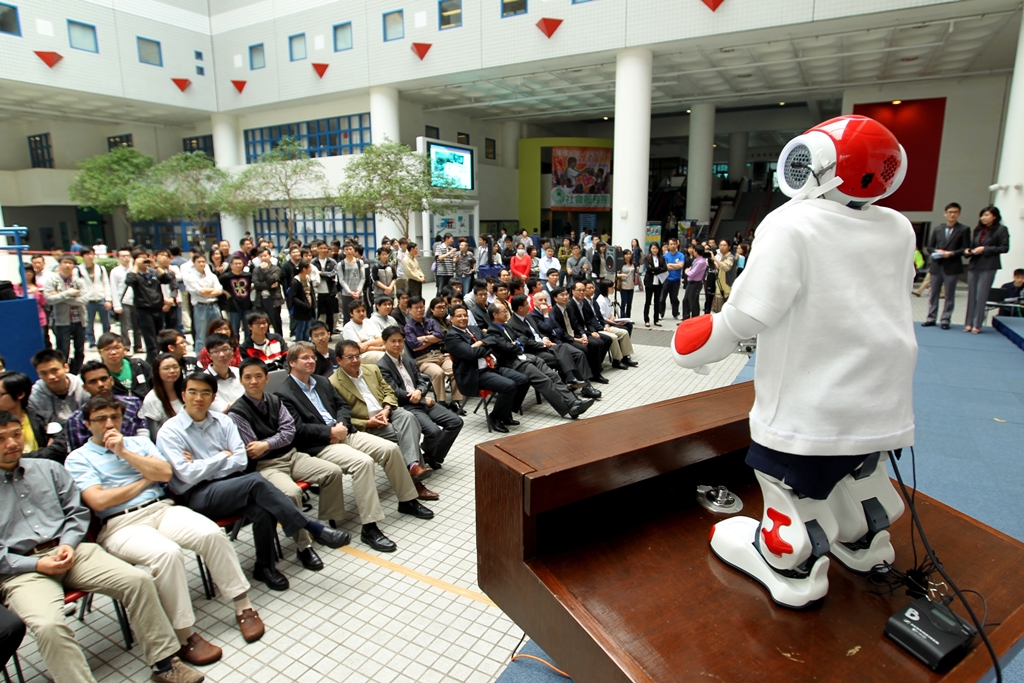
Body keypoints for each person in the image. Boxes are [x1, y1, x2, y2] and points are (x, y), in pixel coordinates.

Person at [0, 408, 207, 683]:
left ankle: (166, 663)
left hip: (70, 550)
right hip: (23, 569)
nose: (12, 443)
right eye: (2, 439)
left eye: (16, 435)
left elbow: (76, 513)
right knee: (49, 625)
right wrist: (37, 563)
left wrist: (69, 543)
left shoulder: (49, 469)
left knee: (138, 581)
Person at [65, 394, 262, 664]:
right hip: (121, 524)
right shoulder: (78, 458)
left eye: (115, 417)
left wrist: (124, 453)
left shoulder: (138, 443)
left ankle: (243, 606)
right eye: (100, 419)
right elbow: (99, 501)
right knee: (167, 553)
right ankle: (184, 635)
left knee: (211, 534)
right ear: (88, 424)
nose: (109, 424)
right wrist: (146, 480)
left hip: (162, 508)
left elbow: (165, 473)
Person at [157, 372, 351, 592]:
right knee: (256, 482)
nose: (198, 398)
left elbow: (240, 460)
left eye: (205, 393)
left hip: (234, 485)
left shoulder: (223, 421)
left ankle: (265, 567)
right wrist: (222, 456)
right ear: (183, 395)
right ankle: (313, 528)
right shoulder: (170, 431)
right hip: (199, 494)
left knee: (263, 508)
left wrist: (206, 463)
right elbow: (187, 475)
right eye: (192, 392)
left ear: (213, 397)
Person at [274, 343, 434, 548]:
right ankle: (370, 526)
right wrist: (329, 432)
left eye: (313, 357)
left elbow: (342, 405)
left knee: (390, 449)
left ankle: (407, 500)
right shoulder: (283, 393)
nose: (311, 361)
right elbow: (296, 429)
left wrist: (340, 424)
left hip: (344, 432)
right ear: (292, 363)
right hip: (321, 444)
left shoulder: (321, 382)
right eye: (305, 358)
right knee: (363, 463)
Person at [229, 358, 351, 563]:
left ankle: (324, 526)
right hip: (266, 466)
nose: (253, 381)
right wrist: (272, 443)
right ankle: (304, 546)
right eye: (247, 377)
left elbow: (289, 431)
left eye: (258, 376)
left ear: (267, 378)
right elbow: (253, 449)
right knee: (293, 492)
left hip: (292, 455)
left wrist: (266, 444)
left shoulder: (275, 400)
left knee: (332, 472)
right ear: (241, 381)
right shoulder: (237, 412)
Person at [329, 340, 437, 490]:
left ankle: (413, 469)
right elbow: (339, 416)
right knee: (407, 435)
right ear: (339, 360)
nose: (355, 360)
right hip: (370, 422)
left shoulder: (372, 369)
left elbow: (388, 391)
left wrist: (386, 408)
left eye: (357, 356)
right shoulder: (333, 383)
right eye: (350, 357)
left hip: (388, 411)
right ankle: (416, 479)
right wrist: (367, 423)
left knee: (409, 418)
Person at [485, 305, 594, 420]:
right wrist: (517, 345)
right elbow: (508, 348)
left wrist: (516, 343)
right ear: (495, 315)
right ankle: (569, 408)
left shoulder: (506, 326)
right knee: (544, 380)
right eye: (503, 311)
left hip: (525, 356)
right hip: (513, 362)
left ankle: (574, 401)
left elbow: (523, 338)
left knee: (553, 375)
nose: (506, 313)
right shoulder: (492, 331)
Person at [377, 326, 463, 471]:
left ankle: (432, 455)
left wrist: (420, 391)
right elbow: (395, 393)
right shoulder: (381, 366)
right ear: (384, 342)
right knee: (434, 432)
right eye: (393, 341)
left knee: (456, 422)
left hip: (421, 400)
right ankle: (430, 455)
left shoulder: (408, 361)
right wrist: (422, 398)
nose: (397, 344)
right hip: (406, 406)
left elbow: (422, 381)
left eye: (400, 341)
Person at [444, 306, 530, 433]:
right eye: (459, 316)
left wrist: (480, 344)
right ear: (451, 319)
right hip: (475, 373)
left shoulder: (473, 329)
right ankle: (495, 417)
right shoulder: (452, 336)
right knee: (509, 386)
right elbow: (470, 354)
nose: (463, 318)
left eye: (465, 315)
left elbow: (493, 339)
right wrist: (487, 347)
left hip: (492, 367)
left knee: (524, 380)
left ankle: (504, 413)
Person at [510, 293, 601, 399]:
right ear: (520, 308)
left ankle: (584, 385)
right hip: (535, 351)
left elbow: (546, 331)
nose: (529, 306)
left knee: (578, 353)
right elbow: (526, 342)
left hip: (550, 342)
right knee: (566, 356)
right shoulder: (514, 323)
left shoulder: (528, 316)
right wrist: (543, 343)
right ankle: (570, 383)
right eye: (527, 304)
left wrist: (544, 338)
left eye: (545, 300)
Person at [63, 360, 149, 452]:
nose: (100, 384)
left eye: (103, 379)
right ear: (85, 388)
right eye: (93, 382)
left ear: (111, 380)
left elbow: (144, 437)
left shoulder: (133, 404)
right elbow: (80, 454)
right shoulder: (77, 420)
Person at [404, 296, 464, 414]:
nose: (420, 310)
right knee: (438, 373)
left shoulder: (430, 321)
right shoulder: (408, 327)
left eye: (421, 307)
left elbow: (440, 336)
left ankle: (456, 401)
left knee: (456, 368)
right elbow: (415, 346)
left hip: (440, 355)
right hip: (424, 359)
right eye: (416, 308)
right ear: (409, 310)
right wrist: (432, 339)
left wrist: (424, 339)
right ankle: (441, 402)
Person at [921, 203, 971, 329]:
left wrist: (952, 253)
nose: (952, 214)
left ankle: (945, 319)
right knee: (934, 293)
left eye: (955, 212)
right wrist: (935, 252)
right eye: (950, 212)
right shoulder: (938, 229)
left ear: (959, 214)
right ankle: (931, 318)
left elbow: (966, 248)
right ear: (945, 213)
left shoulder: (964, 229)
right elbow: (930, 246)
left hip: (952, 265)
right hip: (937, 264)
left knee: (949, 294)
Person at [0, 371, 68, 462]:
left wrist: (14, 458)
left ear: (20, 394)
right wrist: (44, 452)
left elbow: (59, 449)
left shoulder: (45, 419)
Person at [964, 205, 1011, 333]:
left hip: (988, 265)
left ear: (994, 216)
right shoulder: (979, 230)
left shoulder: (1001, 230)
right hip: (974, 264)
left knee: (981, 295)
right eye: (982, 215)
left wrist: (985, 249)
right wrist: (969, 251)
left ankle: (977, 324)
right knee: (972, 294)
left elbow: (1004, 248)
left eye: (986, 215)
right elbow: (973, 245)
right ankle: (968, 322)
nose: (983, 218)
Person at [546, 287, 608, 384]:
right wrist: (576, 340)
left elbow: (577, 324)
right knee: (583, 349)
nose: (565, 297)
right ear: (555, 298)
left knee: (596, 343)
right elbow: (560, 332)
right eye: (562, 295)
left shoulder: (569, 308)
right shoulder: (553, 312)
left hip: (576, 334)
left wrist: (583, 335)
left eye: (566, 294)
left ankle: (596, 373)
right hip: (565, 339)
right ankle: (582, 377)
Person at [124, 250, 175, 364]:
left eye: (145, 258)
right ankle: (151, 366)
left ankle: (155, 363)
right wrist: (136, 266)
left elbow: (167, 279)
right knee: (151, 343)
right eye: (141, 258)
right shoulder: (135, 275)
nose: (144, 261)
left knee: (158, 341)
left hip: (158, 310)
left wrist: (155, 265)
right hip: (144, 311)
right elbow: (129, 281)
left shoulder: (153, 273)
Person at [43, 255, 88, 375]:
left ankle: (76, 372)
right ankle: (63, 372)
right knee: (63, 350)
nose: (67, 265)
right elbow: (49, 299)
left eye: (70, 263)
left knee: (80, 350)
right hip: (62, 321)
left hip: (79, 320)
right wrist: (68, 293)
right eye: (64, 262)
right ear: (59, 264)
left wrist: (61, 296)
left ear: (74, 266)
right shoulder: (52, 280)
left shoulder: (79, 281)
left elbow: (84, 300)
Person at [575, 281, 635, 369]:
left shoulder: (593, 302)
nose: (592, 290)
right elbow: (590, 321)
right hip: (596, 328)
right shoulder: (583, 303)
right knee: (613, 337)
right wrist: (602, 327)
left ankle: (626, 357)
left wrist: (606, 325)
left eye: (593, 288)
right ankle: (617, 360)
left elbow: (600, 317)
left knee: (624, 332)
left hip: (602, 326)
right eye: (589, 288)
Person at [28, 348, 89, 426]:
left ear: (66, 367)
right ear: (38, 375)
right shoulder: (34, 396)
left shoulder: (83, 386)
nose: (50, 377)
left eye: (54, 370)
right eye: (43, 373)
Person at [183, 253, 224, 355]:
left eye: (203, 262)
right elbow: (200, 291)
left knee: (217, 332)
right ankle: (200, 360)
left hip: (214, 306)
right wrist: (211, 291)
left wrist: (208, 292)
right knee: (201, 336)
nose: (201, 264)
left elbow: (219, 290)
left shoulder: (212, 275)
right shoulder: (190, 277)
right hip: (201, 307)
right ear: (194, 263)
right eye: (199, 262)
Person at [97, 332, 152, 401]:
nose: (113, 352)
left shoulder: (139, 365)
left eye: (117, 348)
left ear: (124, 350)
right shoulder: (97, 375)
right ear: (100, 352)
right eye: (107, 349)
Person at [109, 247, 143, 354]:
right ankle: (126, 346)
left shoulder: (135, 269)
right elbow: (113, 288)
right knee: (125, 326)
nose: (126, 258)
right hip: (124, 301)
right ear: (118, 258)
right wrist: (116, 305)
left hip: (137, 301)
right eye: (123, 256)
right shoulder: (115, 271)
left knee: (138, 325)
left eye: (128, 256)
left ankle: (138, 346)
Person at [77, 247, 112, 348]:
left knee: (106, 322)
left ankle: (106, 341)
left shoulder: (100, 268)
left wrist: (108, 299)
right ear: (82, 256)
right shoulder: (78, 270)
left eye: (92, 254)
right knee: (89, 323)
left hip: (101, 298)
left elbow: (106, 283)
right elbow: (77, 286)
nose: (90, 256)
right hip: (87, 300)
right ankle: (92, 342)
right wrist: (81, 301)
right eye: (87, 254)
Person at [143, 353, 184, 437]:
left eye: (175, 367)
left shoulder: (187, 391)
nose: (172, 371)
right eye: (166, 368)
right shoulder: (151, 399)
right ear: (157, 371)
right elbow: (155, 435)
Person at [203, 333, 243, 409]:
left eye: (225, 349)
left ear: (232, 351)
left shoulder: (239, 372)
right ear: (209, 355)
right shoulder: (204, 380)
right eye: (215, 351)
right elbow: (221, 409)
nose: (221, 355)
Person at [252, 247, 285, 338]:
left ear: (270, 256)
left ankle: (279, 339)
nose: (263, 258)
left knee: (275, 321)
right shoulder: (256, 270)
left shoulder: (276, 269)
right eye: (261, 256)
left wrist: (266, 270)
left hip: (273, 299)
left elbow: (274, 280)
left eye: (265, 255)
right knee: (262, 321)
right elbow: (256, 284)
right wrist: (269, 286)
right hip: (261, 299)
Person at [219, 256, 252, 343]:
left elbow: (255, 284)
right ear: (231, 265)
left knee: (248, 330)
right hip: (233, 306)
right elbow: (217, 286)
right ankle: (235, 348)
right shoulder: (225, 277)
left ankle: (247, 347)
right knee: (234, 330)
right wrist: (225, 292)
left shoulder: (248, 275)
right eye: (235, 264)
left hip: (247, 305)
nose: (238, 265)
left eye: (240, 263)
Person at [310, 241, 339, 333]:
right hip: (317, 292)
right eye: (321, 248)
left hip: (330, 292)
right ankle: (315, 332)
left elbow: (332, 274)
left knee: (329, 315)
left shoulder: (332, 261)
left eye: (325, 248)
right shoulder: (313, 262)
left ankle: (329, 332)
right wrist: (323, 275)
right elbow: (312, 276)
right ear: (317, 249)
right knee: (316, 314)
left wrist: (320, 273)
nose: (323, 250)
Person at [287, 260, 316, 342]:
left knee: (308, 327)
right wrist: (303, 305)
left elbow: (311, 292)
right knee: (301, 328)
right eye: (309, 267)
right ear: (304, 269)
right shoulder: (295, 281)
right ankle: (299, 343)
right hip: (300, 309)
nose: (310, 269)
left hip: (309, 308)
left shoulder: (308, 278)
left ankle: (306, 342)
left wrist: (313, 304)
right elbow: (292, 297)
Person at [337, 242, 365, 325]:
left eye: (350, 249)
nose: (349, 251)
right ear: (343, 251)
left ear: (353, 250)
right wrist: (349, 291)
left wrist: (359, 291)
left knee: (360, 314)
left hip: (359, 294)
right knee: (347, 315)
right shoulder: (340, 264)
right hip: (347, 294)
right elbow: (341, 280)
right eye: (346, 249)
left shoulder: (360, 262)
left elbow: (363, 278)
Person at [660, 238, 685, 320]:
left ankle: (676, 313)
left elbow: (681, 266)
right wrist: (675, 266)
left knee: (674, 298)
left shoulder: (681, 255)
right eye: (671, 244)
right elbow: (666, 267)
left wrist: (671, 265)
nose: (673, 246)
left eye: (674, 244)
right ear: (668, 245)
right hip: (666, 279)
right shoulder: (665, 256)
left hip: (676, 280)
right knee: (662, 298)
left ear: (677, 244)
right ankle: (661, 313)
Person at [683, 244, 708, 320]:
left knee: (693, 302)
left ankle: (695, 319)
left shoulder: (701, 262)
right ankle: (686, 318)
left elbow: (692, 273)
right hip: (691, 282)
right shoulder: (696, 259)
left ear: (696, 252)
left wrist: (686, 271)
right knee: (686, 300)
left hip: (695, 283)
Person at [711, 240, 736, 312]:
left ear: (729, 247)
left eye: (724, 245)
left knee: (725, 311)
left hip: (727, 287)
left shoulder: (730, 257)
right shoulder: (723, 257)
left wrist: (714, 259)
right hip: (720, 286)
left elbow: (726, 267)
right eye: (720, 245)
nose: (722, 247)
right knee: (719, 310)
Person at [618, 250, 637, 319]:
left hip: (631, 285)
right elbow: (616, 274)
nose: (628, 256)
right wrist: (622, 275)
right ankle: (622, 317)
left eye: (629, 254)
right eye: (626, 254)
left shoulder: (633, 264)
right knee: (624, 303)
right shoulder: (621, 264)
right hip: (623, 286)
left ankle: (628, 317)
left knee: (629, 303)